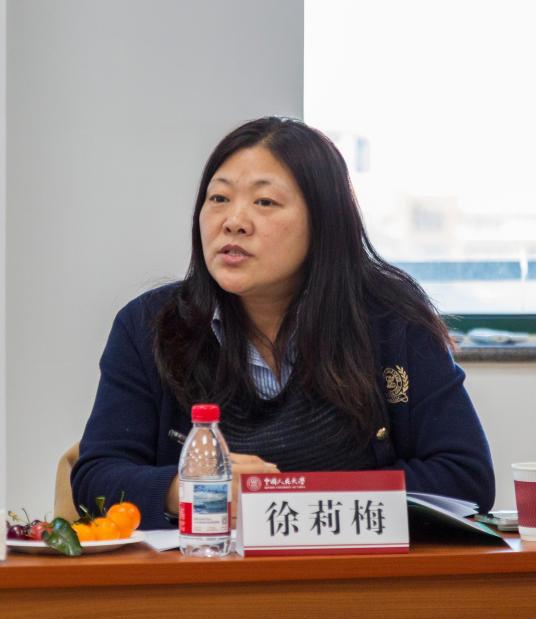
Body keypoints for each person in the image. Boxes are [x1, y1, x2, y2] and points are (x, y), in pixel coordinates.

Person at [71, 116, 495, 529]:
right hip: (206, 571)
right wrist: (184, 488)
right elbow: (96, 478)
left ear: (323, 222)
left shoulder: (391, 320)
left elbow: (465, 476)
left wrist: (289, 498)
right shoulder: (149, 325)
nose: (233, 222)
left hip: (351, 570)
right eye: (218, 199)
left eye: (265, 202)